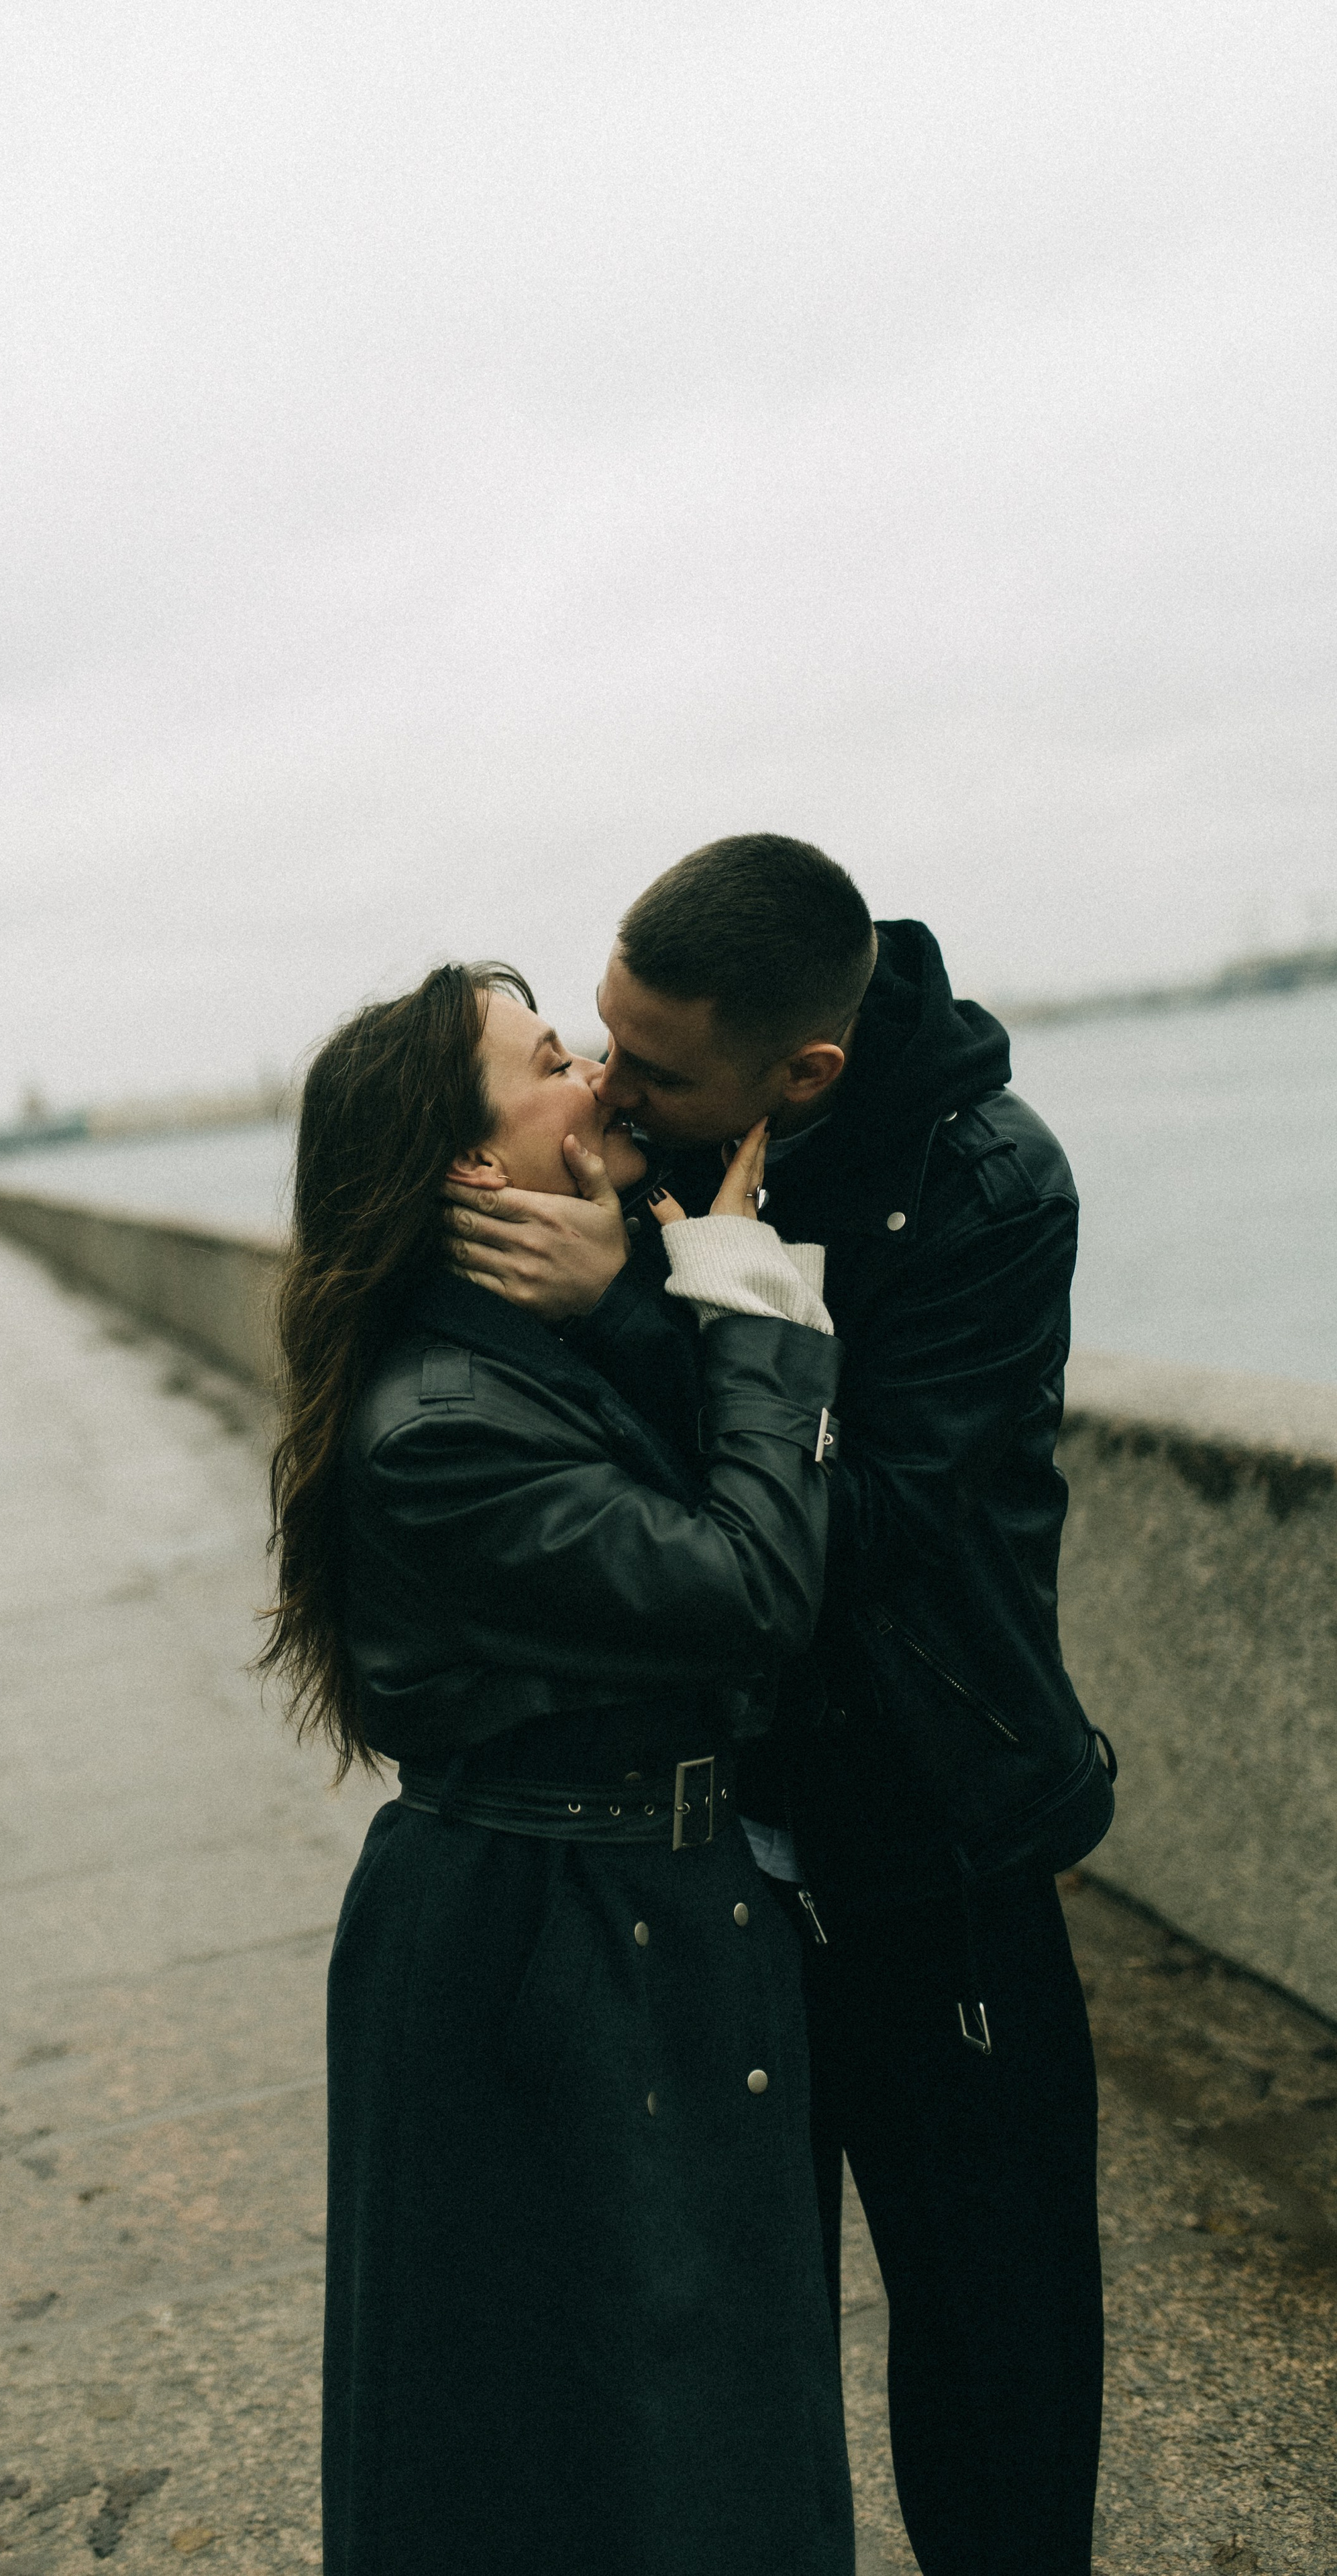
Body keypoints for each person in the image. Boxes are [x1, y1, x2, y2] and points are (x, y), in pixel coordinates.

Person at [444, 837, 1114, 2576]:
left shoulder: (982, 1187)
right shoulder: (653, 1124)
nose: (614, 1086)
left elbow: (870, 1522)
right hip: (706, 1847)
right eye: (601, 1039)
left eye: (653, 1068)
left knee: (997, 2345)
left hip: (932, 1820)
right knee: (720, 2343)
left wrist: (643, 1313)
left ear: (802, 1073)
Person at [262, 960, 855, 2576]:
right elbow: (749, 1584)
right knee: (581, 2433)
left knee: (672, 2407)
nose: (601, 1078)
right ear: (471, 1162)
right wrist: (740, 1292)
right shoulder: (441, 1425)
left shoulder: (523, 1343)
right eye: (551, 1060)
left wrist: (634, 1294)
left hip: (616, 1914)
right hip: (547, 1949)